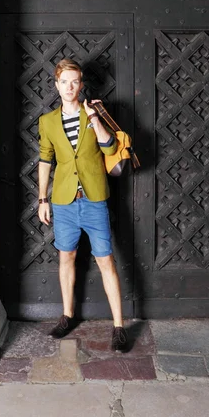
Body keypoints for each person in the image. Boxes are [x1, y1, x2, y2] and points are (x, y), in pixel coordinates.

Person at [37, 58, 128, 352]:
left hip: (93, 200)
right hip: (63, 201)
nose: (69, 87)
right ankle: (67, 315)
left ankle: (118, 327)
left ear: (81, 85)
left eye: (75, 81)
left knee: (105, 260)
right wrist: (42, 198)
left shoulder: (94, 112)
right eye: (64, 81)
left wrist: (95, 119)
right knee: (67, 257)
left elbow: (110, 147)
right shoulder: (48, 121)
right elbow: (44, 160)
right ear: (56, 85)